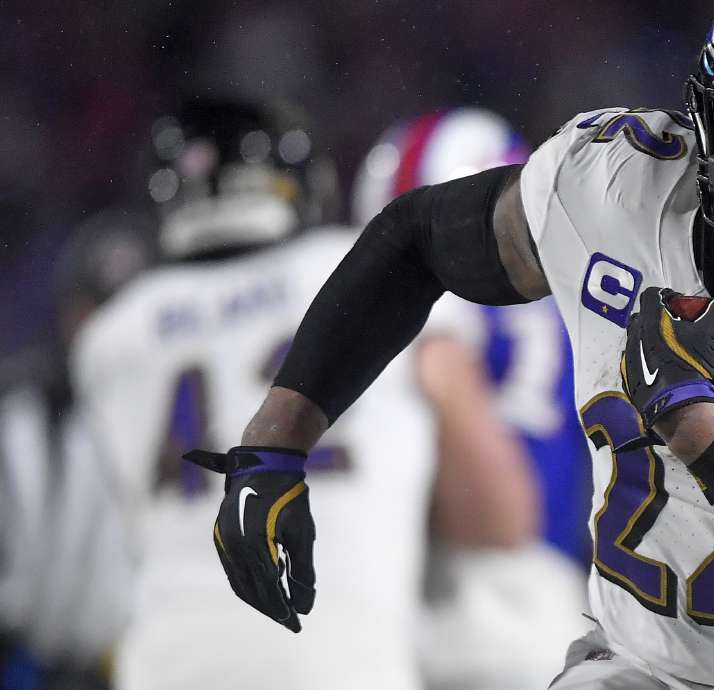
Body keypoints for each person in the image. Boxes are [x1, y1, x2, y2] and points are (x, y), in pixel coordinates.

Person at [189, 1, 714, 687]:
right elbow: (416, 238)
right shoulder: (617, 188)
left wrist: (700, 424)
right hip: (639, 667)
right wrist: (275, 445)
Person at [70, 98, 445, 690]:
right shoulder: (360, 268)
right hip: (344, 665)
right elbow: (485, 512)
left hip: (170, 664)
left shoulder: (112, 337)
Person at [354, 108, 591, 690]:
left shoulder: (444, 315)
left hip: (482, 607)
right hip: (566, 604)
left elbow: (498, 517)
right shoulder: (580, 297)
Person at [1, 207, 156, 690]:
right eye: (97, 313)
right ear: (68, 315)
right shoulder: (25, 417)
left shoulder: (194, 423)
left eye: (125, 315)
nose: (109, 336)